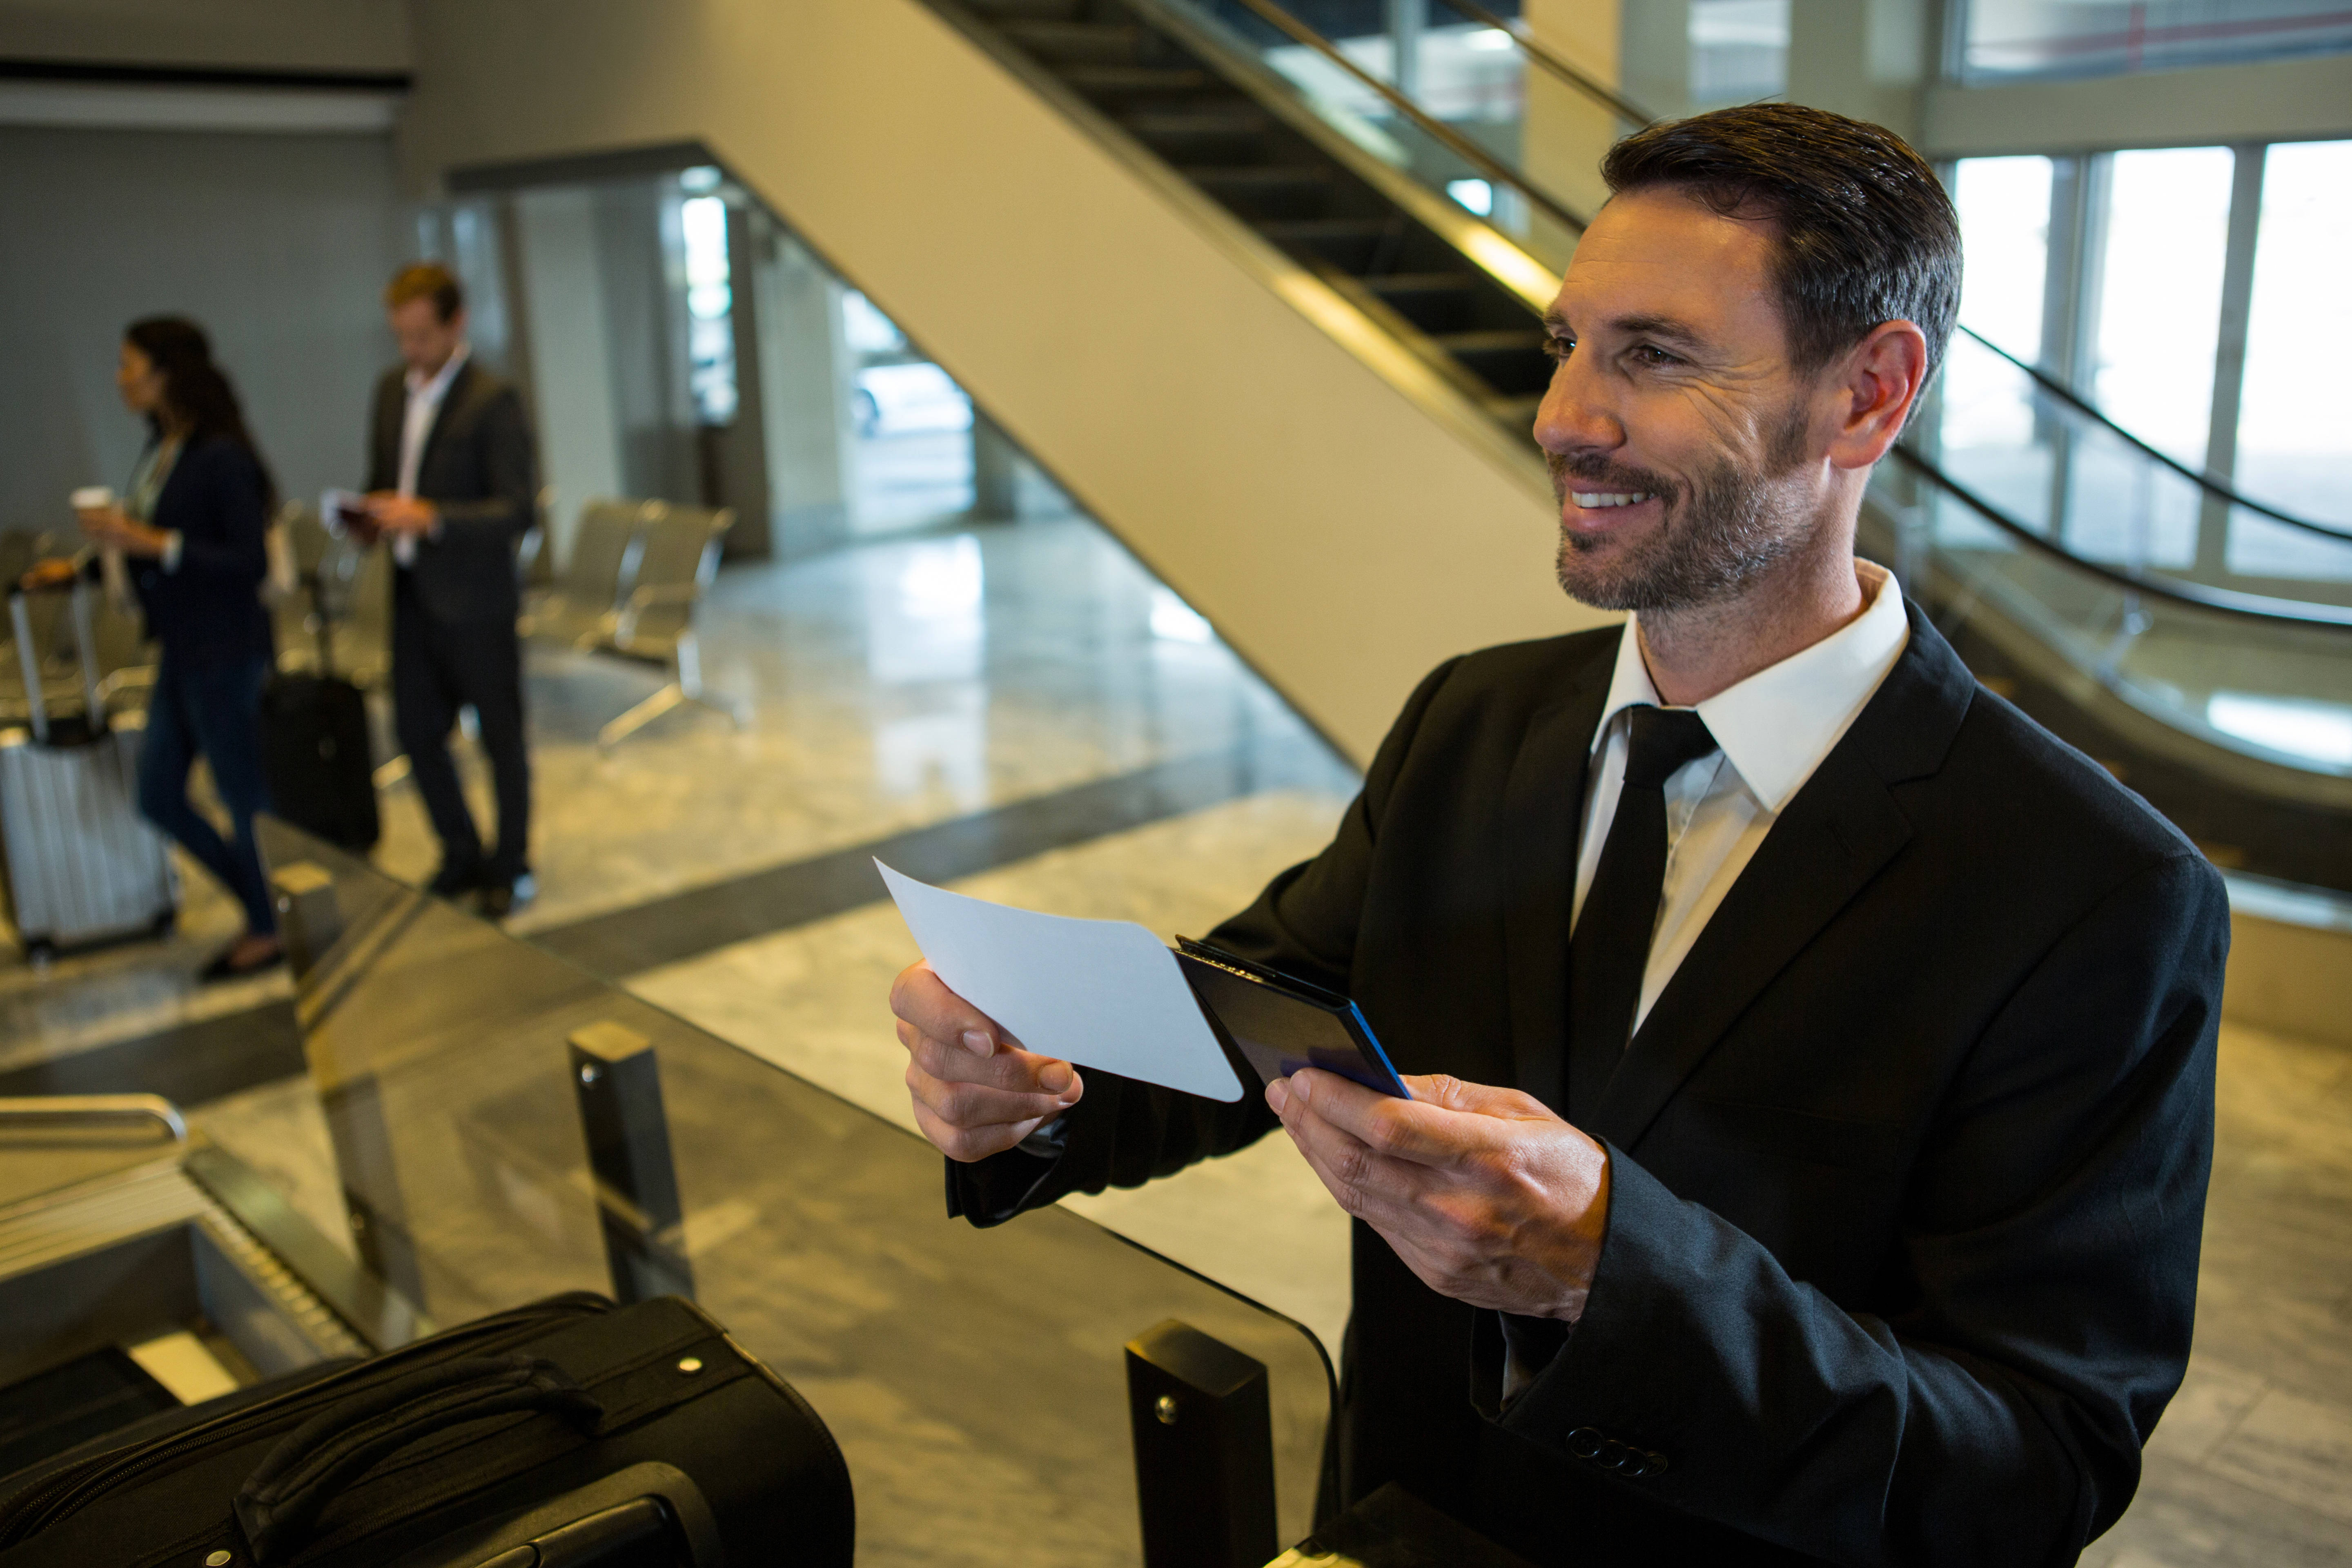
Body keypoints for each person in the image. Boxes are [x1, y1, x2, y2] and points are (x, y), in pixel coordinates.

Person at [889, 104, 2226, 1566]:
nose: (1565, 416)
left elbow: (2035, 1462)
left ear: (1868, 396)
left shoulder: (2096, 892)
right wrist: (1043, 1081)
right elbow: (1266, 1018)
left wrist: (1610, 1274)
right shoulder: (1476, 720)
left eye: (1651, 356)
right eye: (1567, 344)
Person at [60, 318, 282, 980]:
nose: (121, 379)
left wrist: (149, 543)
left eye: (131, 367)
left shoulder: (220, 456)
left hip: (228, 646)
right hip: (182, 647)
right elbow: (151, 543)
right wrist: (87, 567)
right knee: (157, 793)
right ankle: (264, 905)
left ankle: (272, 926)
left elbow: (245, 560)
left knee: (244, 795)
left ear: (168, 374)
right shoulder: (163, 448)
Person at [360, 262, 539, 917]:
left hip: (478, 600)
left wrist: (433, 518)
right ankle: (460, 851)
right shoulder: (390, 392)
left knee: (501, 741)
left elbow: (518, 511)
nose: (412, 352)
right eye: (402, 338)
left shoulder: (492, 399)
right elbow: (384, 476)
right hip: (412, 593)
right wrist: (371, 515)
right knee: (415, 733)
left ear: (455, 323)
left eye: (422, 337)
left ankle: (511, 864)